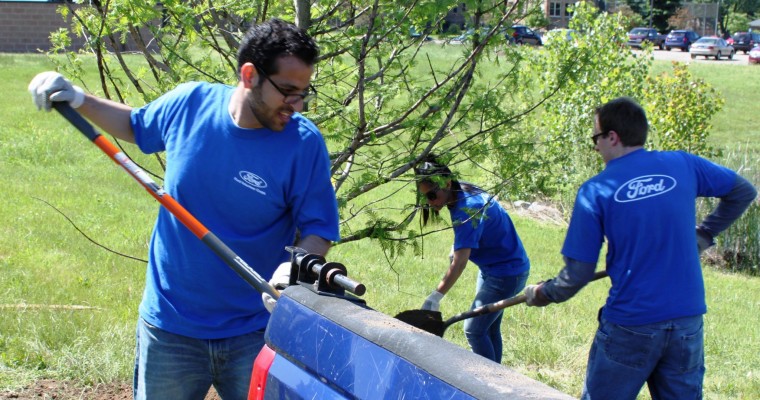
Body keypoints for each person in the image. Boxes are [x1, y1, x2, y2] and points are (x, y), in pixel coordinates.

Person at [28, 18, 340, 400]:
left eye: (304, 94)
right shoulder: (191, 103)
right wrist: (77, 98)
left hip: (254, 330)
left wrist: (293, 268)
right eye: (288, 91)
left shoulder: (303, 144)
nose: (297, 105)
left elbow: (319, 229)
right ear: (249, 75)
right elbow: (135, 125)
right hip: (171, 325)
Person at [523, 97, 757, 399]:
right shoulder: (683, 164)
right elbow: (743, 191)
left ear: (612, 137)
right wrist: (705, 233)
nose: (595, 147)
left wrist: (545, 293)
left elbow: (578, 273)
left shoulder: (596, 190)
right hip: (686, 322)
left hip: (631, 325)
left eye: (596, 138)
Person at [415, 155, 530, 363]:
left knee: (474, 330)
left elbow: (460, 263)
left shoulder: (467, 208)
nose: (430, 202)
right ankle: (497, 380)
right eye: (425, 197)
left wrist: (435, 296)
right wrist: (458, 243)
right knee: (489, 327)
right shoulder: (460, 192)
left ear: (447, 183)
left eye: (432, 195)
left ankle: (488, 384)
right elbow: (477, 229)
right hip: (495, 269)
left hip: (506, 274)